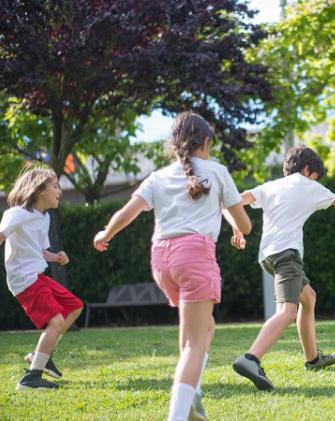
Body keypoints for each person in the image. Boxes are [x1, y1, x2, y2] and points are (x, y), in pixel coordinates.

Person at [93, 112, 251, 421]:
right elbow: (244, 225)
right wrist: (235, 223)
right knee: (195, 342)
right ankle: (177, 416)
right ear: (206, 141)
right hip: (194, 256)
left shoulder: (158, 176)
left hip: (161, 259)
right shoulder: (217, 171)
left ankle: (192, 397)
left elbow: (127, 214)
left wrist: (105, 234)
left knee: (203, 328)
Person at [228, 145, 335, 391]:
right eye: (315, 176)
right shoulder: (309, 186)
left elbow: (238, 201)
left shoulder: (271, 186)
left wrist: (237, 228)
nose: (315, 181)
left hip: (267, 256)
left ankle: (313, 359)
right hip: (287, 255)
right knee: (287, 312)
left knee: (308, 297)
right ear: (309, 170)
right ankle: (251, 358)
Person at [0, 165, 83, 390]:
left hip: (37, 275)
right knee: (56, 321)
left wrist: (56, 257)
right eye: (55, 186)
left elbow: (39, 251)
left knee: (74, 306)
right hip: (23, 278)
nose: (60, 190)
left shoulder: (44, 218)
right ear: (40, 189)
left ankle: (41, 355)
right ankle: (31, 379)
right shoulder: (16, 214)